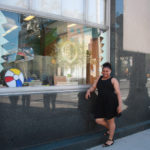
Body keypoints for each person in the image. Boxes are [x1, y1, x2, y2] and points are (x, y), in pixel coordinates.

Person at [85, 62, 122, 147]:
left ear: (110, 71)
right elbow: (93, 87)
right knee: (98, 120)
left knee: (110, 120)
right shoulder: (99, 78)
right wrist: (88, 90)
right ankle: (110, 129)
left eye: (107, 71)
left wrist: (120, 105)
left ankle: (110, 139)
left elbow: (118, 93)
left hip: (111, 103)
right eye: (103, 71)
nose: (105, 73)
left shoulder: (113, 80)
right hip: (100, 102)